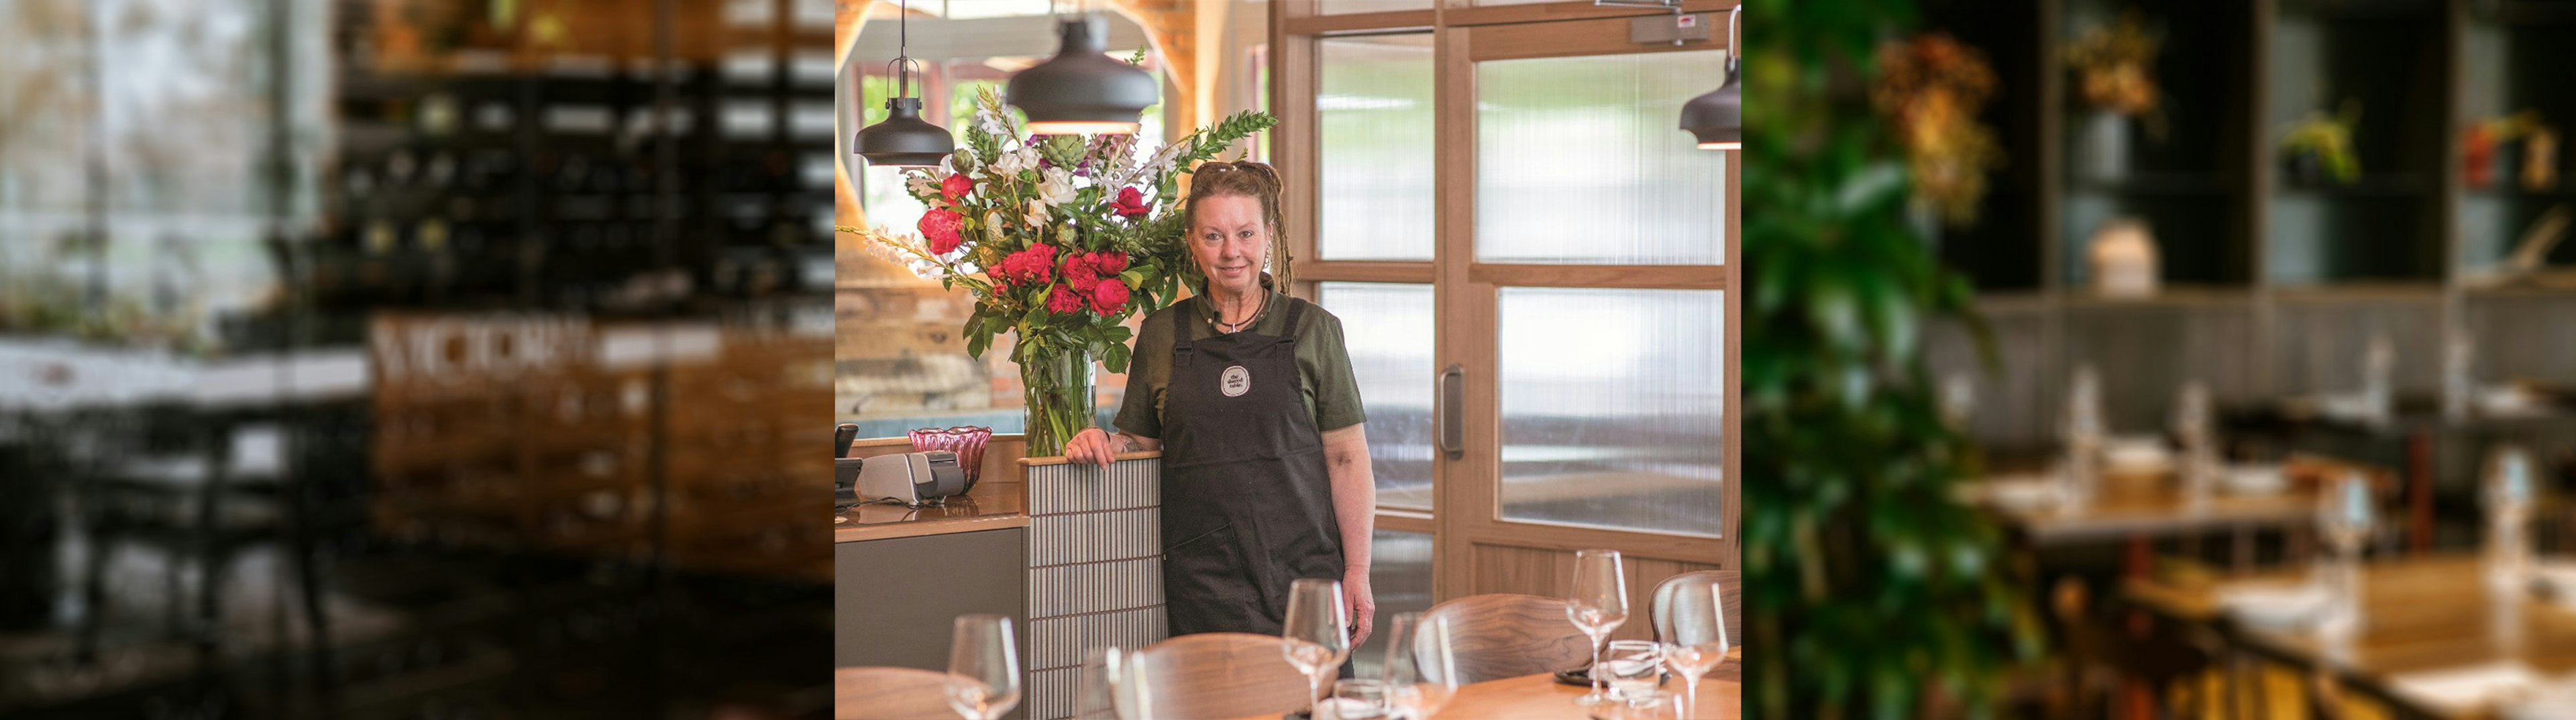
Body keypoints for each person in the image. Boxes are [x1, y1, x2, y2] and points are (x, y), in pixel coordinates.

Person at [1063, 160, 1377, 646]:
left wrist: (1357, 569)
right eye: (1213, 236)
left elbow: (1347, 457)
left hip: (1306, 583)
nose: (1232, 252)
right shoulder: (1163, 333)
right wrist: (1104, 440)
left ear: (1267, 236)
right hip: (1203, 585)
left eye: (1246, 233)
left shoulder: (1315, 330)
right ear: (1191, 241)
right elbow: (1140, 443)